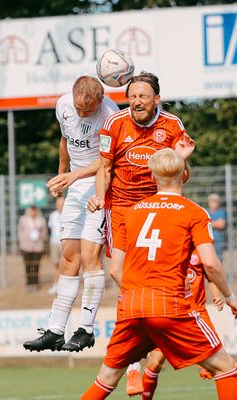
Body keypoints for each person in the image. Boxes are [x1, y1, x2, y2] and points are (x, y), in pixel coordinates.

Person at [81, 148, 237, 400]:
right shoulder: (194, 212)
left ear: (153, 178)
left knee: (106, 380)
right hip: (169, 304)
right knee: (224, 367)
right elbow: (210, 263)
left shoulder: (132, 212)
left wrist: (139, 294)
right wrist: (231, 297)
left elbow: (115, 269)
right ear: (185, 174)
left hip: (132, 306)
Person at [86, 71, 195, 395]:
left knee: (156, 276)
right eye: (132, 96)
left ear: (156, 99)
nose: (136, 101)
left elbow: (182, 175)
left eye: (143, 96)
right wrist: (99, 197)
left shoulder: (173, 126)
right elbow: (104, 169)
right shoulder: (114, 125)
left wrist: (181, 159)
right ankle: (134, 361)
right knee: (122, 274)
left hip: (159, 207)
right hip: (120, 209)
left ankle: (150, 340)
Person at [24, 76, 119, 352]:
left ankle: (86, 329)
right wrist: (62, 174)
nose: (81, 112)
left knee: (90, 257)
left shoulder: (110, 115)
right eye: (78, 107)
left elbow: (106, 163)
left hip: (99, 187)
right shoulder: (63, 104)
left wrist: (73, 176)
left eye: (87, 109)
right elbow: (65, 141)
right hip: (74, 187)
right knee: (68, 257)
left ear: (99, 102)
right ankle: (55, 329)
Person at [133, 249, 230, 400]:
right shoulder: (169, 247)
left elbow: (210, 274)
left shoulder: (200, 249)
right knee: (155, 363)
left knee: (222, 363)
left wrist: (216, 294)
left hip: (195, 314)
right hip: (171, 313)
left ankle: (209, 368)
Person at [17, 205, 47, 292]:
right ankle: (29, 283)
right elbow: (20, 231)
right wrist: (23, 241)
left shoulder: (41, 220)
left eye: (34, 211)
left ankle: (35, 283)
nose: (33, 213)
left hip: (38, 247)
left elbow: (44, 233)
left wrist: (41, 237)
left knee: (36, 265)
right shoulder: (23, 219)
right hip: (26, 247)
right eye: (31, 211)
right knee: (28, 266)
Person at [46, 196, 64, 295]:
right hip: (54, 242)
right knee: (55, 264)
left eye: (62, 204)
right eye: (59, 204)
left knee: (66, 265)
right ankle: (56, 285)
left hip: (64, 243)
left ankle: (65, 286)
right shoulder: (53, 215)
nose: (60, 206)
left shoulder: (68, 214)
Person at [207, 193, 228, 263]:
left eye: (215, 201)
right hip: (208, 241)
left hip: (219, 241)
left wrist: (211, 223)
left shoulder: (221, 212)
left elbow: (222, 225)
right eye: (212, 201)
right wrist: (217, 223)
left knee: (219, 260)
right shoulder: (206, 212)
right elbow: (205, 225)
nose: (213, 203)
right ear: (209, 202)